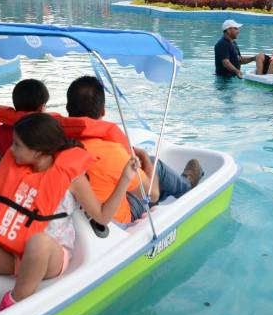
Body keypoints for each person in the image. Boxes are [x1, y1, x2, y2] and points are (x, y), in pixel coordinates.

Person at [0, 113, 138, 315]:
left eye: (17, 145)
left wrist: (125, 179)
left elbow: (102, 216)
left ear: (37, 152)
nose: (11, 149)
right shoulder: (17, 169)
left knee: (39, 242)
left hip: (48, 257)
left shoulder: (73, 179)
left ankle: (14, 305)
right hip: (10, 251)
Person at [66, 75, 201, 224]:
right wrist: (143, 156)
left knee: (140, 173)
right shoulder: (112, 153)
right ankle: (187, 187)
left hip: (85, 212)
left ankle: (174, 187)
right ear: (103, 111)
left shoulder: (55, 144)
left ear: (68, 109)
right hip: (118, 217)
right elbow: (152, 194)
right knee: (154, 164)